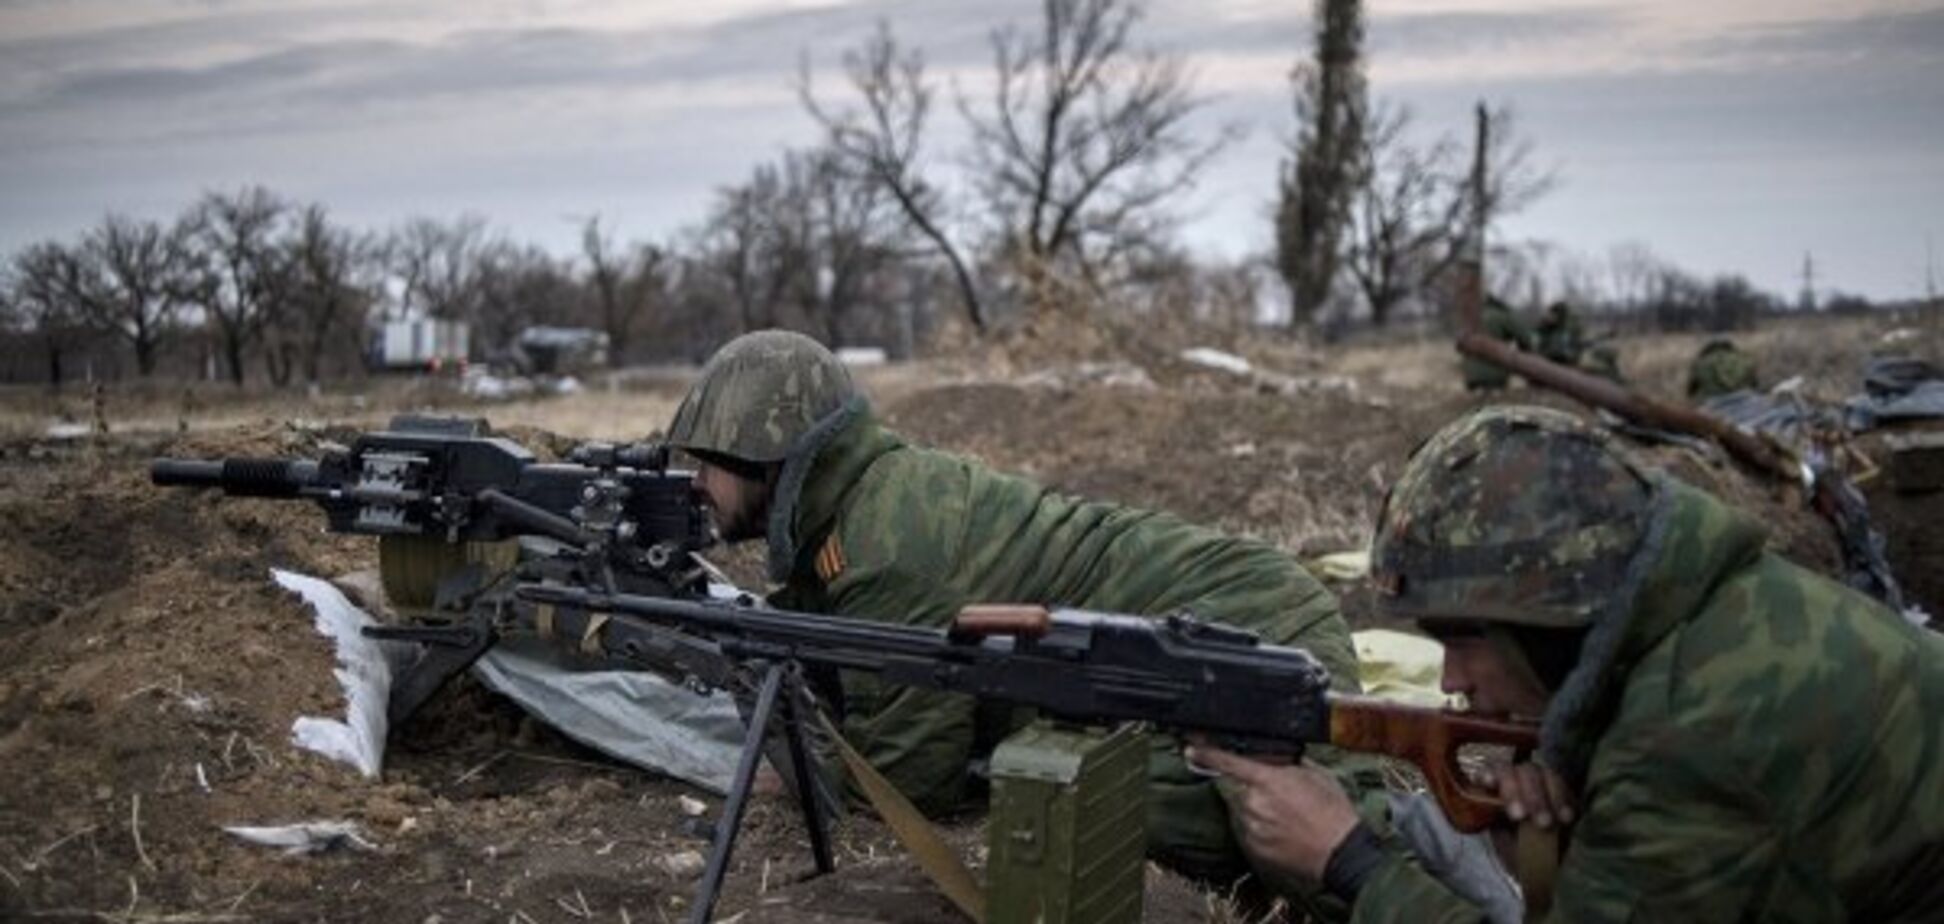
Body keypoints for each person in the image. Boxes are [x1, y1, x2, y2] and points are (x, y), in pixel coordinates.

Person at [664, 330, 1399, 904]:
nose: (696, 484)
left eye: (707, 464)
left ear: (768, 456)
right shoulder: (861, 510)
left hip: (1245, 619)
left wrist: (795, 770)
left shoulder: (885, 543)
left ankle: (1416, 873)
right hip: (1198, 617)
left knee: (1131, 809)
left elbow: (907, 782)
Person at [1192, 405, 1944, 921]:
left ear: (1553, 619)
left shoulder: (1688, 733)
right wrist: (1558, 854)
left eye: (1465, 638)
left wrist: (1349, 861)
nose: (1451, 680)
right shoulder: (1733, 608)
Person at [1463, 297, 1531, 392]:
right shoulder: (1502, 316)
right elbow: (1525, 339)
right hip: (1495, 376)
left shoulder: (1475, 315)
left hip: (1471, 376)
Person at [1688, 337, 1760, 399]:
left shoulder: (1702, 361)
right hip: (1743, 397)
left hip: (1713, 401)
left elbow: (1692, 390)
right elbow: (1754, 384)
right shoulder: (1743, 358)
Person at [1532, 301, 1585, 368]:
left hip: (1564, 362)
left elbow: (1575, 349)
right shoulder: (1545, 326)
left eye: (1554, 314)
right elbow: (1535, 337)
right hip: (1547, 360)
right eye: (1551, 314)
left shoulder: (1569, 328)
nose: (1550, 317)